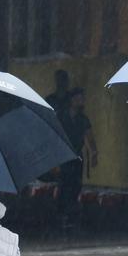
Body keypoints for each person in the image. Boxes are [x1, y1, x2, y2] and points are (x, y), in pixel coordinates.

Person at [55, 87, 98, 230]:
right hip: (63, 156)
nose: (81, 101)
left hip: (77, 157)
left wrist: (93, 153)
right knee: (63, 186)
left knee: (75, 187)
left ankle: (70, 216)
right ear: (71, 100)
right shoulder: (61, 116)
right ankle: (61, 216)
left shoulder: (83, 119)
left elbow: (89, 137)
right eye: (78, 98)